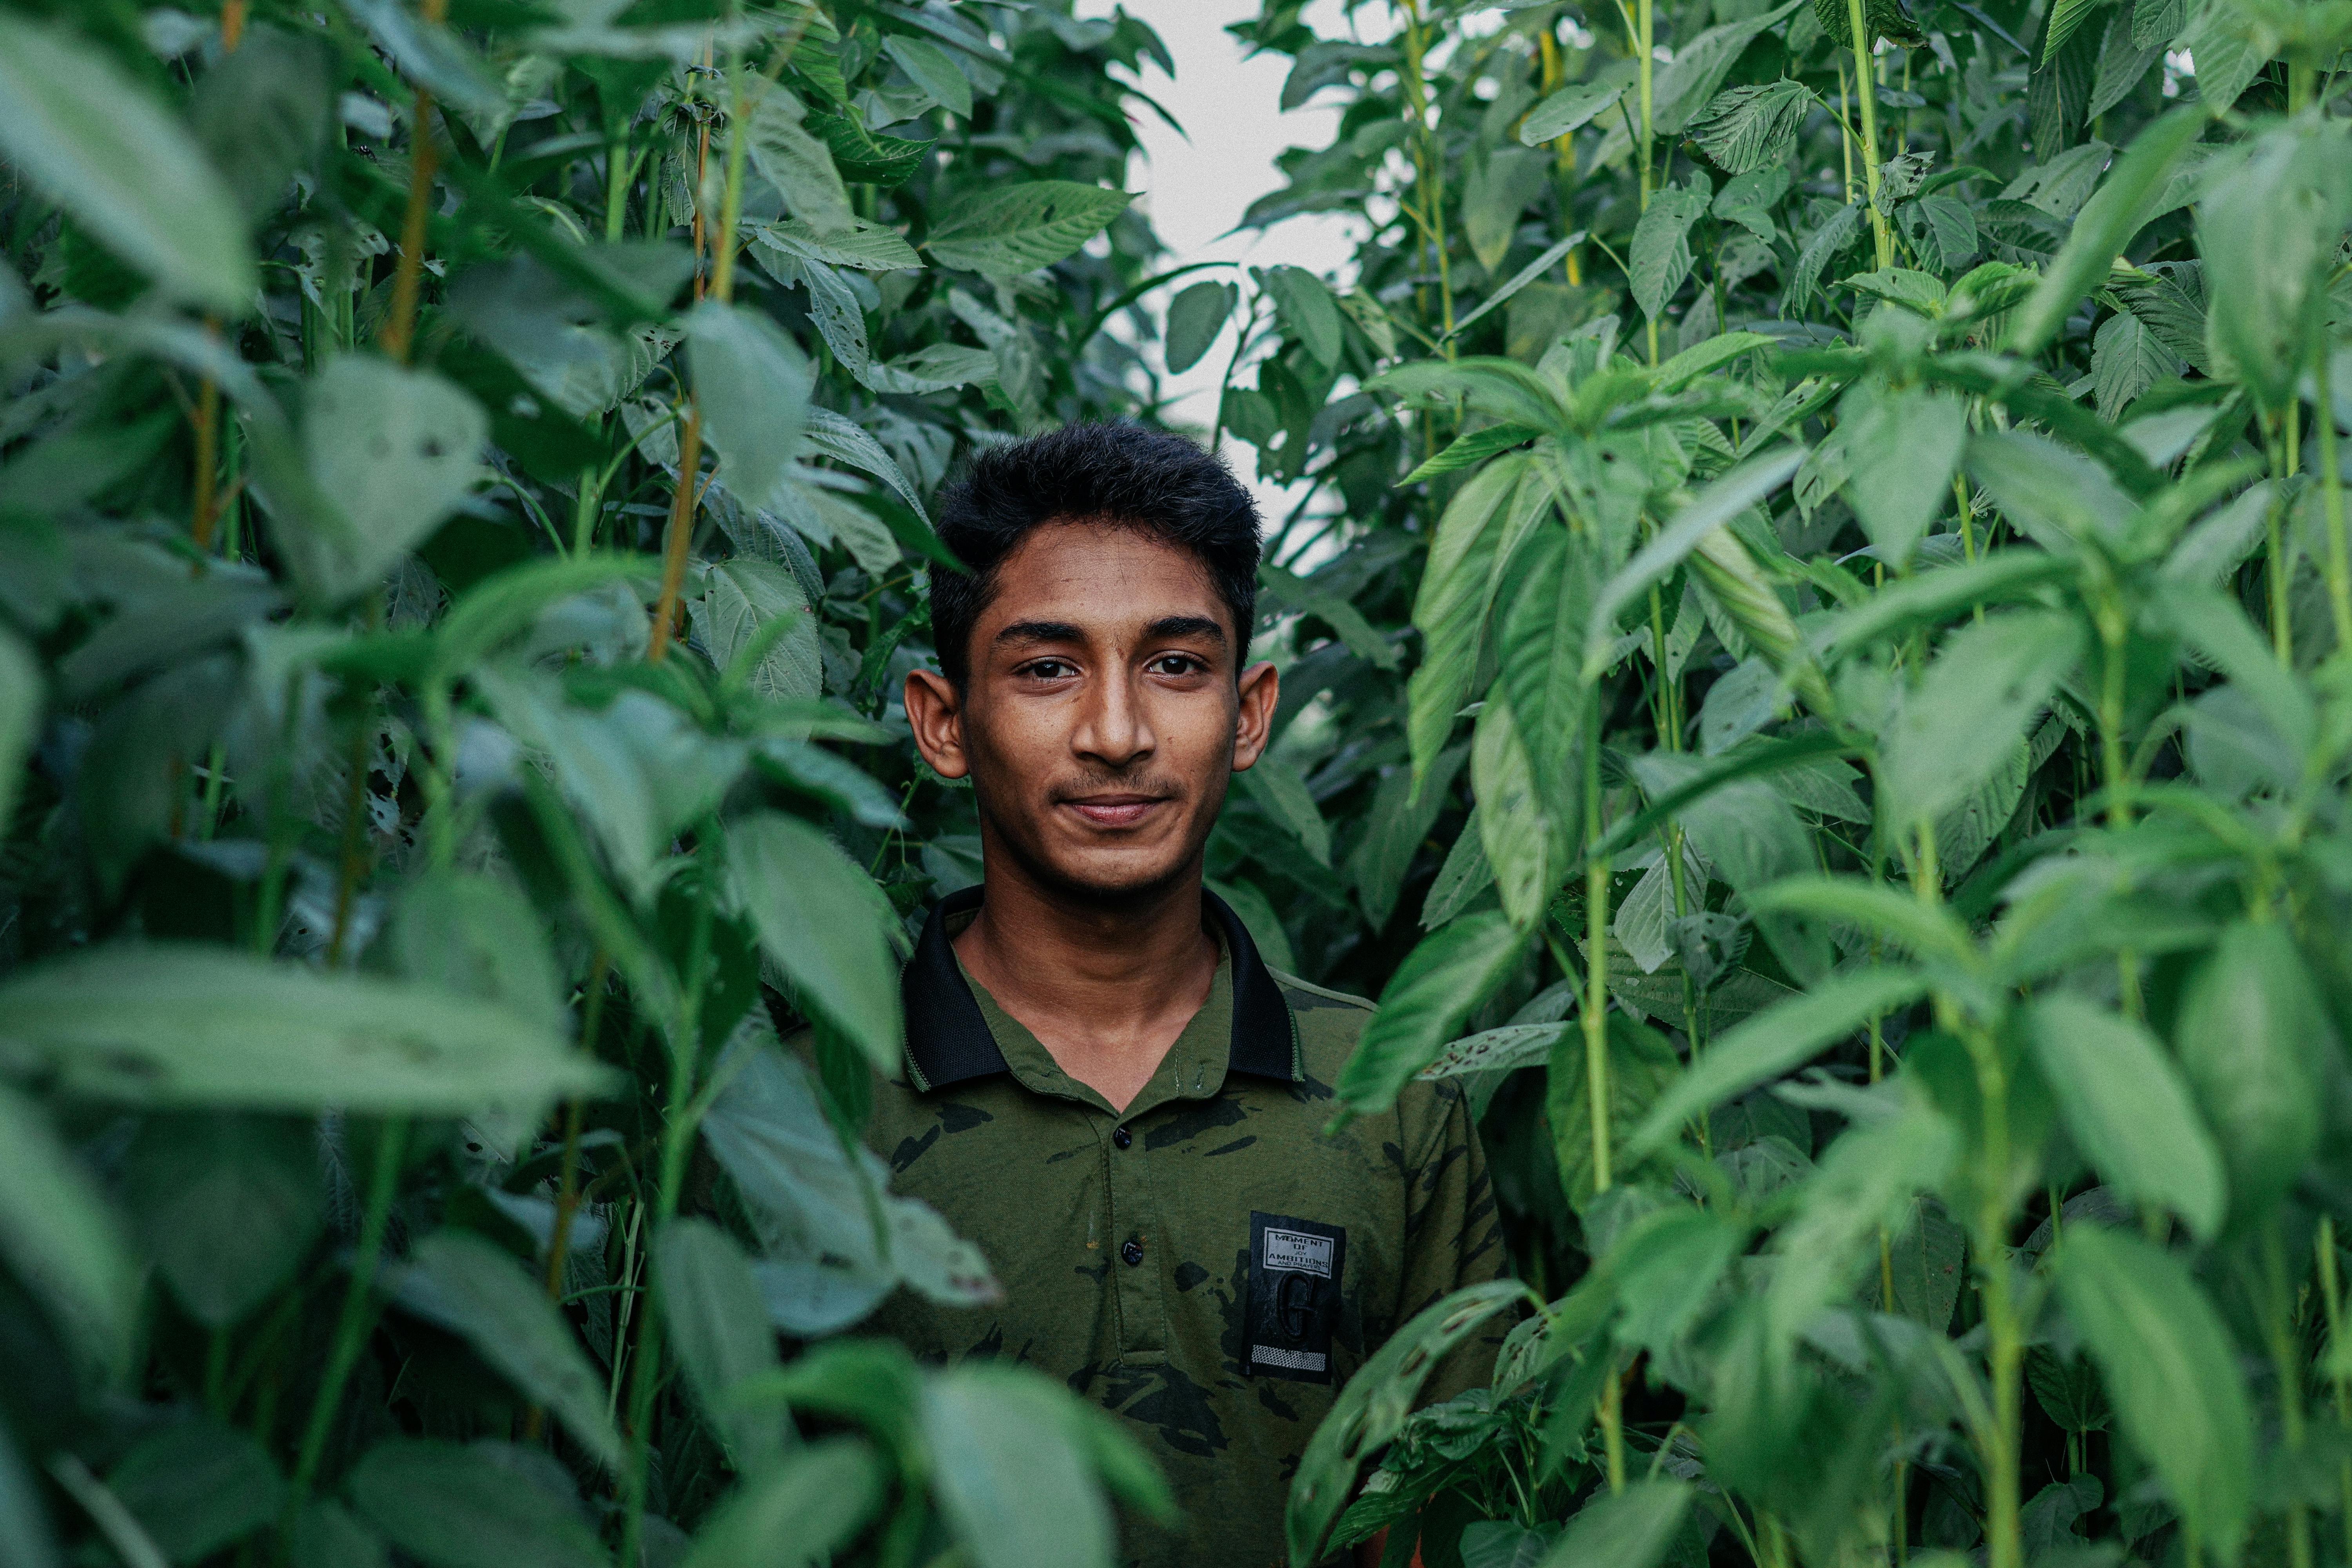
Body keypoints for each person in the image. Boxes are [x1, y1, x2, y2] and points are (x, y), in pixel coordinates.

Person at [866, 422, 1504, 1566]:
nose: (1117, 734)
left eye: (1175, 665)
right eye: (1047, 668)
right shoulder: (815, 1101)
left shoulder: (1389, 1095)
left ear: (1249, 712)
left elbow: (1441, 1518)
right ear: (945, 721)